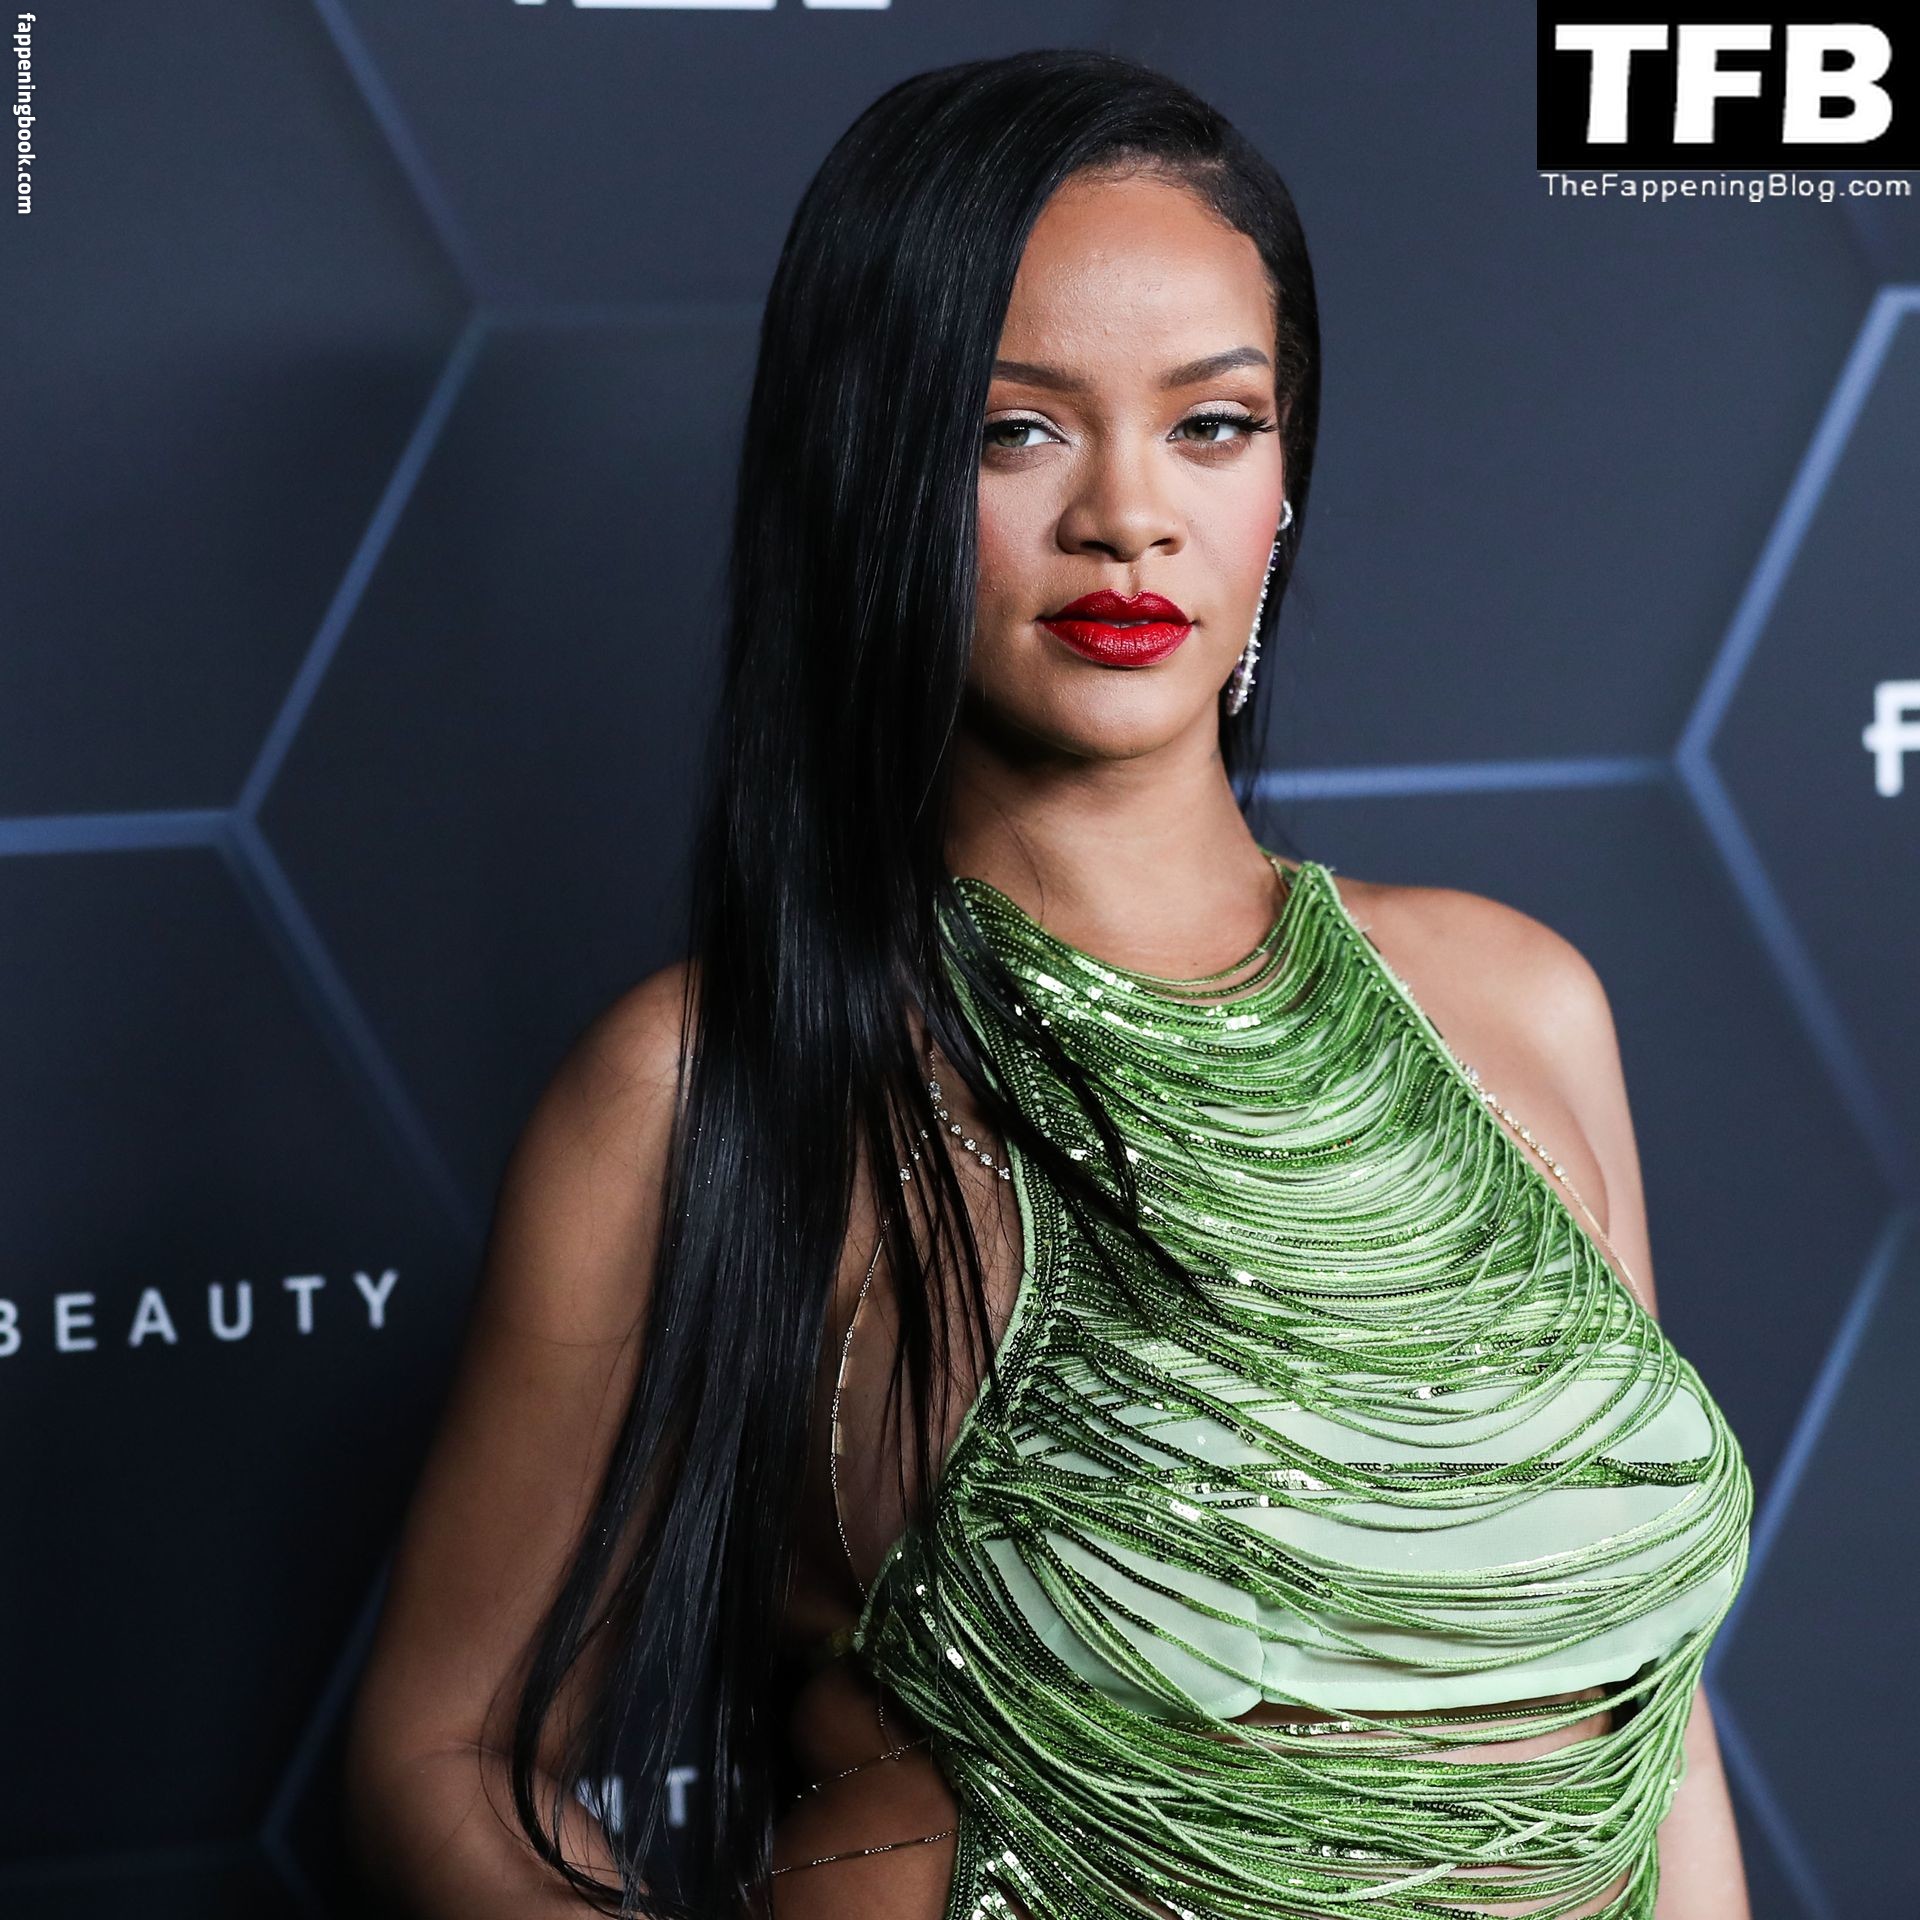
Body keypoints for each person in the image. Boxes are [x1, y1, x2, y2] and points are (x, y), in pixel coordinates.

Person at [340, 47, 1754, 1920]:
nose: (1127, 517)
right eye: (1016, 432)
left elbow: (1654, 1726)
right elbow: (441, 1751)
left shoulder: (1521, 1004)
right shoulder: (710, 1084)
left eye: (1213, 424)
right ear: (874, 474)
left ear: (1284, 483)